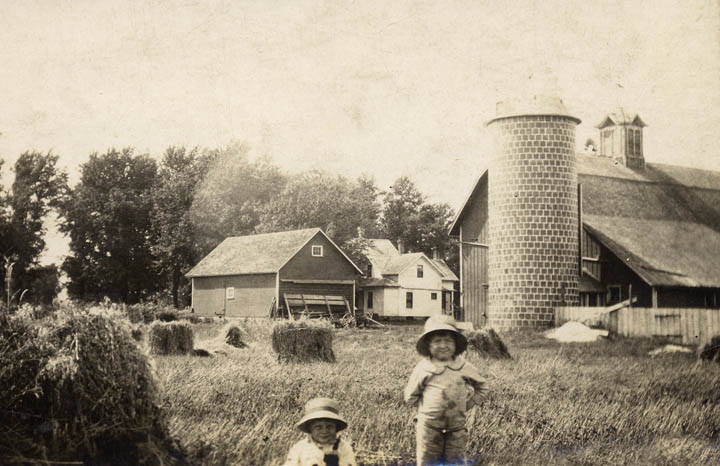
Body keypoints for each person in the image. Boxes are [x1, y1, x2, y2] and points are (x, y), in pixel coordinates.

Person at [404, 315, 487, 466]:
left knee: (455, 461)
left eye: (448, 341)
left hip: (456, 429)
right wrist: (428, 410)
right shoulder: (423, 368)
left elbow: (482, 387)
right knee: (427, 461)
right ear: (428, 345)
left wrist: (466, 404)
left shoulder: (464, 367)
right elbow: (410, 396)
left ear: (456, 344)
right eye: (437, 341)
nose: (443, 345)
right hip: (428, 428)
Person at [282, 397, 357, 466]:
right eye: (318, 427)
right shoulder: (300, 448)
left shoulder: (343, 448)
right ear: (310, 429)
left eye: (329, 426)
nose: (324, 431)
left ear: (336, 428)